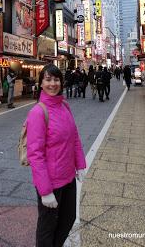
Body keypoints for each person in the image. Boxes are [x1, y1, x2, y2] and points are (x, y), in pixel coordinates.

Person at [26, 64, 86, 247]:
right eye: (48, 79)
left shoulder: (64, 106)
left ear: (61, 81)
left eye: (56, 79)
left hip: (68, 178)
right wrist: (45, 192)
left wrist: (80, 164)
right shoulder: (38, 112)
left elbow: (74, 136)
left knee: (68, 219)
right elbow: (35, 154)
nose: (53, 83)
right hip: (51, 182)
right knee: (47, 227)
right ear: (41, 83)